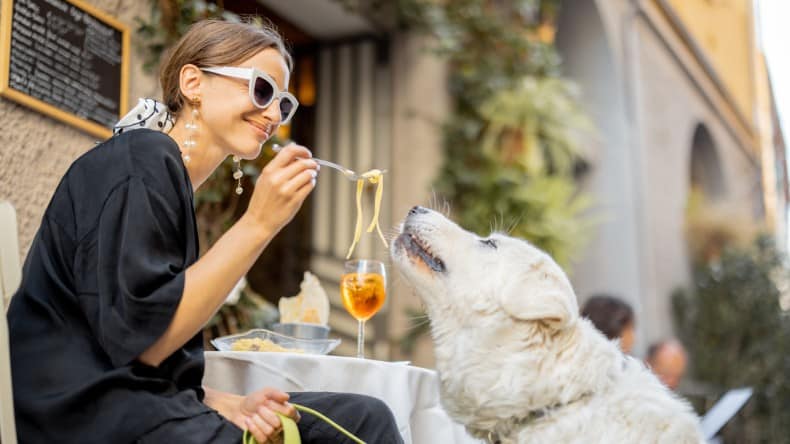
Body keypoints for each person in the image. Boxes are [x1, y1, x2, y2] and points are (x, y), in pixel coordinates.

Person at [8, 19, 401, 444]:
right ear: (193, 82)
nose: (273, 115)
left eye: (283, 104)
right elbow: (148, 343)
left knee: (364, 417)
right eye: (262, 89)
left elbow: (134, 353)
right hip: (85, 418)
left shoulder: (160, 174)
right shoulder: (142, 159)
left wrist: (226, 402)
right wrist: (258, 223)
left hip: (135, 404)